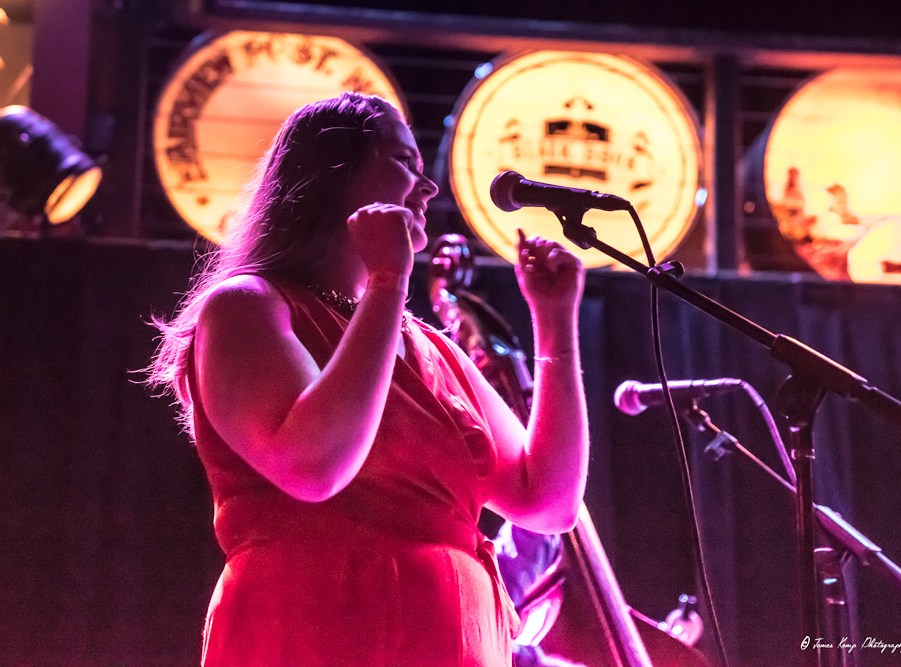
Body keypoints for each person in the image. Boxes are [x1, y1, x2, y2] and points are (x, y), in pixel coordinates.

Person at [148, 91, 590, 667]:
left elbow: (549, 502)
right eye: (406, 162)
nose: (429, 188)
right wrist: (386, 280)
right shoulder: (247, 306)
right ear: (334, 169)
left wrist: (554, 321)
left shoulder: (432, 349)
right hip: (311, 631)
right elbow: (315, 466)